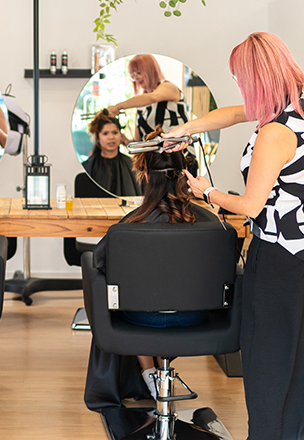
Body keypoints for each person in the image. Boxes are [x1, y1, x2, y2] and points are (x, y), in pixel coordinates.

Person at [165, 32, 304, 440]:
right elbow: (234, 114)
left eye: (239, 78)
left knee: (270, 359)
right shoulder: (303, 104)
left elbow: (250, 206)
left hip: (284, 253)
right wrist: (187, 129)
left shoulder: (274, 133)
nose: (238, 86)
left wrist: (207, 192)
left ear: (255, 79)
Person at [84, 127, 219, 409]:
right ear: (184, 175)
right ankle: (159, 373)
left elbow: (98, 261)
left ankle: (148, 373)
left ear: (145, 177)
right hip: (195, 319)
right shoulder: (211, 223)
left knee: (125, 290)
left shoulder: (128, 227)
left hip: (142, 319)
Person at [106, 54, 189, 140]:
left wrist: (118, 107)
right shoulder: (141, 105)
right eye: (132, 75)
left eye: (139, 73)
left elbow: (153, 98)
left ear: (151, 70)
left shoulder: (168, 87)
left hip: (179, 147)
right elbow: (138, 140)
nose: (136, 78)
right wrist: (124, 140)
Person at [83, 110, 141, 197]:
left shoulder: (132, 165)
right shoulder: (88, 167)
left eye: (115, 132)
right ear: (98, 138)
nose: (111, 137)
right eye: (105, 133)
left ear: (121, 135)